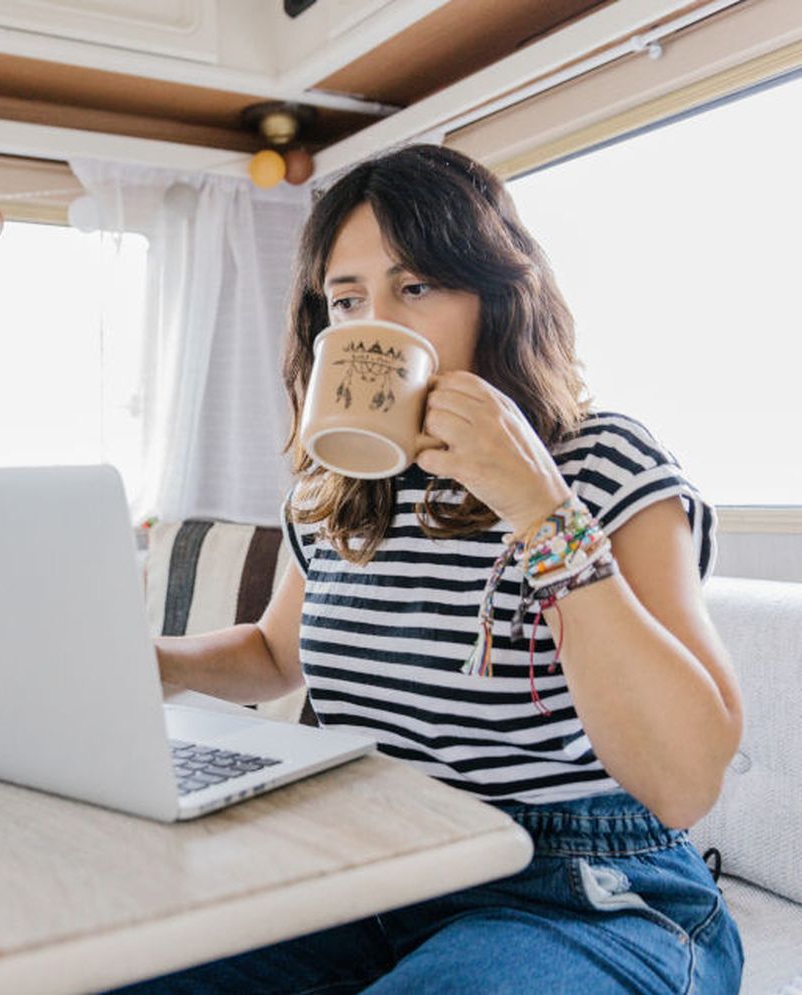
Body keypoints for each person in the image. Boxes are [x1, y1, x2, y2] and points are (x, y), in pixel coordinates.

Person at [116, 144, 744, 994]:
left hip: (583, 890)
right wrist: (138, 663)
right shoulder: (333, 487)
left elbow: (685, 780)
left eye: (413, 288)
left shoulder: (601, 462)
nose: (376, 324)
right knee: (115, 965)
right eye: (348, 299)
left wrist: (539, 509)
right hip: (375, 871)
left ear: (494, 294)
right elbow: (274, 652)